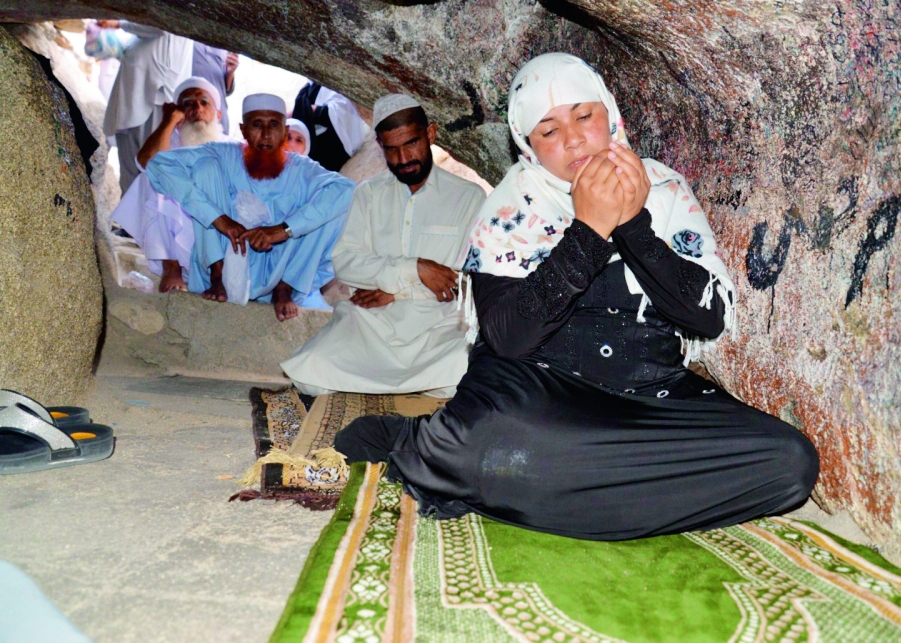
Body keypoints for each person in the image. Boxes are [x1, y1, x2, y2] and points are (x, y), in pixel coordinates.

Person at [334, 54, 819, 540]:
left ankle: (560, 486)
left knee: (790, 463)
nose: (572, 139)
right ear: (527, 143)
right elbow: (508, 339)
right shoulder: (508, 209)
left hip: (649, 398)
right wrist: (588, 230)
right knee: (491, 440)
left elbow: (707, 318)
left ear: (610, 114)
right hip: (538, 397)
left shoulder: (664, 190)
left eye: (584, 116)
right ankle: (443, 447)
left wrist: (632, 224)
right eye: (548, 130)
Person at [282, 95, 486, 397]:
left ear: (430, 134)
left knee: (466, 367)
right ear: (379, 145)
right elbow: (346, 263)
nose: (403, 158)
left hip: (438, 326)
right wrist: (415, 269)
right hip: (374, 323)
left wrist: (395, 291)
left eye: (411, 143)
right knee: (311, 370)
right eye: (391, 148)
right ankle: (414, 385)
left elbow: (463, 281)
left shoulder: (468, 196)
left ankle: (406, 382)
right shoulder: (368, 194)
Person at [144, 93, 356, 321]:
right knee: (205, 168)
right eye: (256, 125)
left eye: (273, 125)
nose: (265, 135)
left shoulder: (302, 168)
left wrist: (283, 229)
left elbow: (348, 190)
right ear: (243, 130)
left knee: (333, 204)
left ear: (284, 131)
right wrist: (218, 218)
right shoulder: (224, 153)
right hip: (226, 251)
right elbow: (159, 165)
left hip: (279, 266)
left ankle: (285, 287)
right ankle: (216, 274)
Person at [109, 77, 227, 293]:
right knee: (152, 178)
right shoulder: (169, 142)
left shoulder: (230, 146)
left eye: (204, 102)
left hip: (220, 233)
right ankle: (171, 267)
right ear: (179, 112)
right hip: (179, 232)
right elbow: (146, 162)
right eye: (188, 104)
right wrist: (168, 120)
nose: (197, 108)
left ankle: (217, 273)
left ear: (218, 114)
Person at [99, 20, 193, 194]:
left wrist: (119, 23)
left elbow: (162, 25)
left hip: (156, 99)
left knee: (148, 174)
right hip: (134, 95)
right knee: (129, 177)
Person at [291, 82, 366, 171]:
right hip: (315, 140)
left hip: (337, 143)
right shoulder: (309, 86)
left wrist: (311, 110)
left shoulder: (334, 83)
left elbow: (338, 111)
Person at [190, 42, 238, 134]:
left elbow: (227, 90)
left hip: (218, 117)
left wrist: (230, 71)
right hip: (195, 115)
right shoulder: (188, 42)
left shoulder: (223, 43)